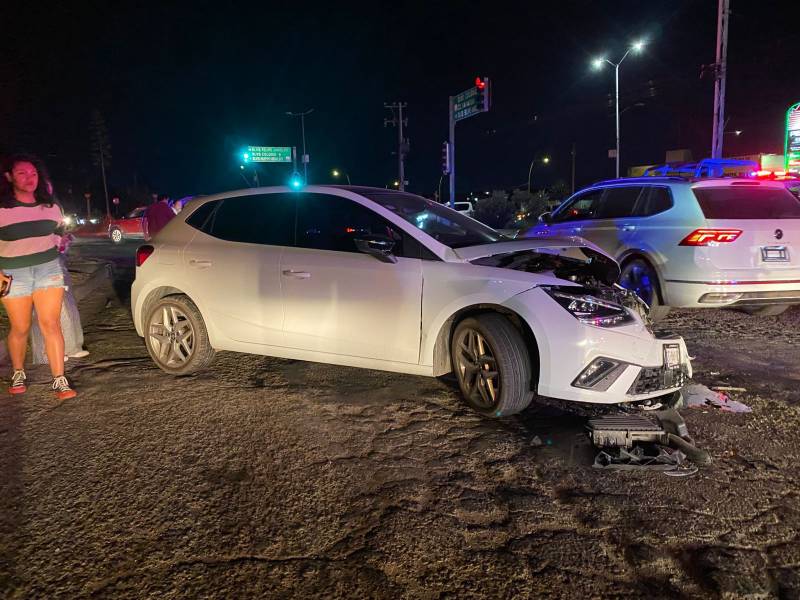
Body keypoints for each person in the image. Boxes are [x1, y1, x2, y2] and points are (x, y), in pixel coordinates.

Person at [0, 154, 77, 399]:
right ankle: (18, 371)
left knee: (51, 324)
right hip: (13, 273)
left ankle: (59, 379)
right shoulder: (3, 209)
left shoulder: (50, 206)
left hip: (48, 269)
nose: (29, 178)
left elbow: (56, 236)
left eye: (33, 173)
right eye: (22, 173)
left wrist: (61, 241)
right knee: (20, 327)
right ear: (9, 176)